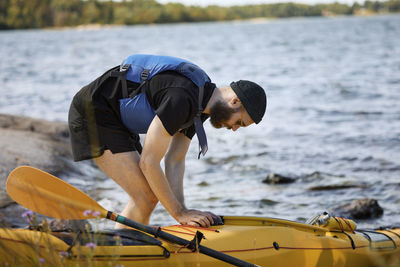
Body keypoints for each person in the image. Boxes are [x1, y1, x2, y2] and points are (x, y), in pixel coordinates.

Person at [68, 54, 267, 228]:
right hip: (93, 114)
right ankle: (120, 252)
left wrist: (184, 211)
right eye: (239, 122)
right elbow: (149, 162)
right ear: (235, 101)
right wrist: (179, 214)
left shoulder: (200, 104)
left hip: (116, 121)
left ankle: (126, 247)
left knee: (148, 197)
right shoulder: (182, 98)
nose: (234, 129)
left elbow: (175, 160)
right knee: (146, 196)